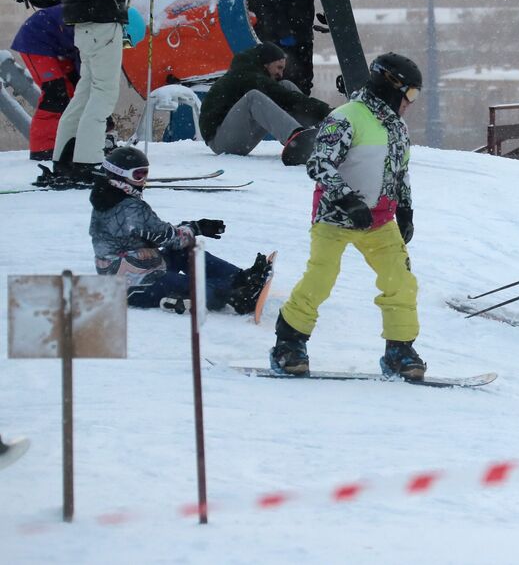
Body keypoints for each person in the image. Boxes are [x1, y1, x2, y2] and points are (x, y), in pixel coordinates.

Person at [271, 52, 423, 379]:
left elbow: (401, 171)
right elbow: (319, 163)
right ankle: (289, 342)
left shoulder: (397, 128)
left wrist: (406, 208)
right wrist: (348, 200)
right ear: (391, 87)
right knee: (321, 278)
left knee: (401, 282)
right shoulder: (346, 118)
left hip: (379, 221)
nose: (411, 102)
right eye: (410, 94)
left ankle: (400, 349)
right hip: (335, 219)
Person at [44, 0, 165, 189]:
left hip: (82, 22)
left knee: (85, 93)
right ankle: (86, 162)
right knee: (103, 93)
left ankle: (65, 160)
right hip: (100, 19)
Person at [90, 145, 272, 314]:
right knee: (192, 285)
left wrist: (194, 227)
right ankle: (236, 296)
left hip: (139, 269)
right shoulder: (130, 208)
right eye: (138, 175)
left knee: (184, 252)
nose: (143, 181)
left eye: (145, 174)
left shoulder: (109, 199)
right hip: (136, 286)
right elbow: (169, 237)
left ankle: (239, 279)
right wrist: (196, 227)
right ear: (119, 176)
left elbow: (155, 235)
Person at [199, 42, 330, 164]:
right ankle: (298, 140)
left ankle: (318, 134)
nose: (280, 73)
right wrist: (328, 112)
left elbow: (288, 97)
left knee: (286, 85)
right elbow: (287, 98)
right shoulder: (248, 76)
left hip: (238, 136)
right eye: (279, 68)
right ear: (266, 63)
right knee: (254, 97)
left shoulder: (256, 76)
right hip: (220, 140)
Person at [10, 4, 79, 160]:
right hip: (36, 41)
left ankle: (68, 143)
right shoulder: (99, 20)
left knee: (76, 91)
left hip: (61, 46)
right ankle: (43, 148)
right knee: (54, 94)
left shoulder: (105, 17)